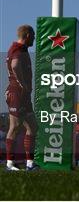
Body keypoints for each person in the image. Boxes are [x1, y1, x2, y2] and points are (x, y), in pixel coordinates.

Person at [4, 25, 38, 171]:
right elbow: (15, 65)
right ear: (28, 35)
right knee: (15, 127)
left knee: (32, 127)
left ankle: (30, 163)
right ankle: (10, 164)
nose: (35, 39)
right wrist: (22, 84)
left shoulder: (17, 48)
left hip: (22, 95)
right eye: (34, 36)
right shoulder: (18, 49)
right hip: (17, 94)